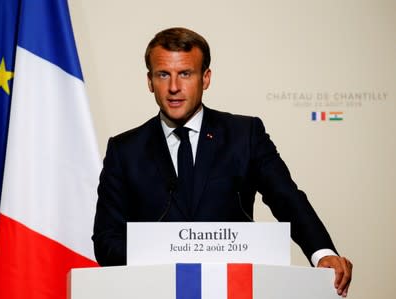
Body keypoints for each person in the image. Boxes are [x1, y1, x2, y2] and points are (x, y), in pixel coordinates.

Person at [92, 27, 352, 297]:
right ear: (149, 81)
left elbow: (287, 199)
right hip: (154, 291)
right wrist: (163, 255)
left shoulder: (245, 135)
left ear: (205, 78)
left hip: (233, 289)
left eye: (185, 73)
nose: (173, 87)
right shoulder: (125, 149)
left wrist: (322, 252)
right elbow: (106, 240)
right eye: (163, 74)